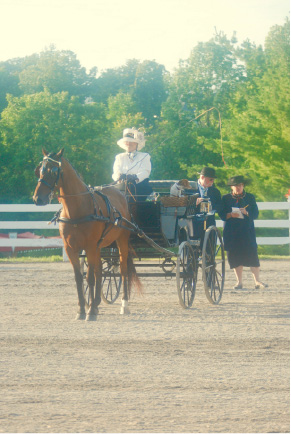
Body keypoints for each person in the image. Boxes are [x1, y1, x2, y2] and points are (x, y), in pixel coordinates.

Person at [220, 175, 267, 290]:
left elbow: (255, 214)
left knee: (252, 254)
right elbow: (222, 215)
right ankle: (239, 282)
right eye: (236, 185)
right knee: (235, 256)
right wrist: (231, 214)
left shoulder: (250, 197)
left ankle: (257, 281)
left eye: (240, 185)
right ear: (231, 187)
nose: (239, 187)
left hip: (246, 230)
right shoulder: (226, 198)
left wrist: (246, 212)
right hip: (232, 231)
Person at [112, 127, 153, 201]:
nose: (128, 143)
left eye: (131, 141)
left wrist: (135, 177)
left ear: (137, 143)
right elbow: (116, 171)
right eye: (126, 141)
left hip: (140, 189)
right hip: (122, 189)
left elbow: (145, 172)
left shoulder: (145, 156)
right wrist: (119, 176)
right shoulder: (119, 157)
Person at [190, 167, 222, 241]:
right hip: (193, 224)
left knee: (209, 247)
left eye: (213, 180)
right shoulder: (190, 189)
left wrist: (211, 207)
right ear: (202, 177)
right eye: (210, 179)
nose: (212, 182)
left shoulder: (215, 191)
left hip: (209, 223)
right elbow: (184, 204)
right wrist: (194, 202)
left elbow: (220, 206)